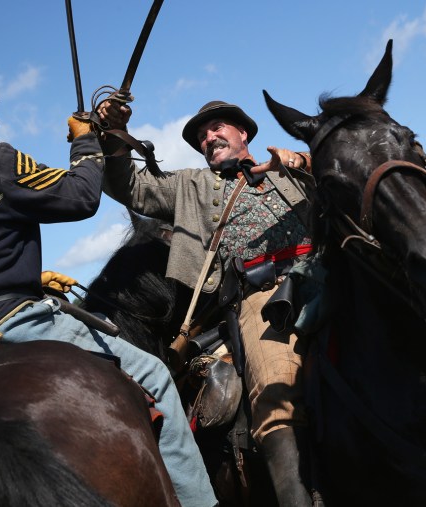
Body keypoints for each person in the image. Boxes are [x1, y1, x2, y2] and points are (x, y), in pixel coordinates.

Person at [0, 68, 216, 507]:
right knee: (154, 374)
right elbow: (79, 197)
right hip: (4, 324)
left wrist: (31, 276)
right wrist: (84, 142)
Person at [102, 99, 316, 505]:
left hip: (327, 273)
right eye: (201, 136)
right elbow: (128, 186)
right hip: (265, 295)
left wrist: (303, 160)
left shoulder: (287, 166)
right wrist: (113, 138)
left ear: (243, 134)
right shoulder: (190, 184)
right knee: (274, 389)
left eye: (216, 128)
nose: (208, 138)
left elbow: (347, 167)